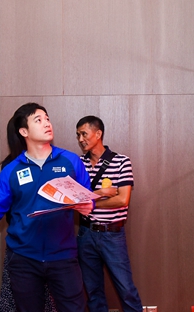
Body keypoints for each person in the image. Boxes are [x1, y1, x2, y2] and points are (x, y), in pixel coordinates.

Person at [0, 102, 93, 312]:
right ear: (24, 131)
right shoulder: (11, 170)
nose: (47, 124)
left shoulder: (71, 161)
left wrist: (87, 205)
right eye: (38, 120)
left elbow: (87, 196)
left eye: (47, 119)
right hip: (24, 259)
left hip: (63, 256)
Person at [75, 116, 143, 312]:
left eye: (84, 134)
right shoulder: (78, 163)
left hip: (112, 234)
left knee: (126, 289)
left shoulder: (121, 161)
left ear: (98, 134)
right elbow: (75, 199)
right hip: (85, 234)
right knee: (93, 291)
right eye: (78, 135)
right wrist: (101, 193)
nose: (80, 139)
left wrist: (90, 202)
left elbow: (122, 200)